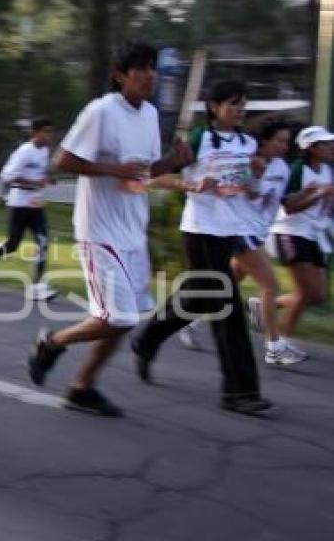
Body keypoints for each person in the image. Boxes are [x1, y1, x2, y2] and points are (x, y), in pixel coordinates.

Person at [28, 41, 192, 416]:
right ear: (121, 75)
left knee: (122, 321)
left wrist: (173, 163)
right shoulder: (101, 110)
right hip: (99, 231)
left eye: (153, 67)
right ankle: (52, 341)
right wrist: (112, 169)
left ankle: (81, 386)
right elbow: (63, 160)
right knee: (117, 317)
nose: (150, 74)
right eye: (141, 68)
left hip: (133, 230)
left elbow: (143, 175)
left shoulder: (149, 114)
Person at [132, 79, 274, 415]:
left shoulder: (247, 143)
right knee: (228, 307)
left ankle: (146, 339)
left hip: (230, 232)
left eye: (243, 104)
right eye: (233, 104)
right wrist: (191, 183)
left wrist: (255, 175)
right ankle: (239, 392)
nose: (240, 110)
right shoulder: (200, 139)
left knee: (198, 298)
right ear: (214, 107)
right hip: (200, 231)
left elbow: (249, 191)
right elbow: (158, 177)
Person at [177, 119, 302, 365]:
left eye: (287, 142)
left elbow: (283, 202)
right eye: (279, 141)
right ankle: (274, 346)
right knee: (270, 285)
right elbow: (238, 191)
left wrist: (309, 195)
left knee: (224, 285)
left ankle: (192, 322)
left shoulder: (283, 168)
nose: (284, 147)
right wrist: (253, 175)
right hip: (239, 230)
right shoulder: (244, 160)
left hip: (258, 232)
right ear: (264, 140)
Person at [0, 117, 58, 301]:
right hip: (19, 203)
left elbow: (39, 174)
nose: (49, 136)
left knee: (43, 241)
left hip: (35, 204)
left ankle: (36, 285)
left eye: (50, 132)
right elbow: (7, 176)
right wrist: (33, 182)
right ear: (34, 132)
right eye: (45, 131)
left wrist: (48, 179)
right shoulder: (25, 151)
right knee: (12, 244)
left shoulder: (44, 151)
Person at [269, 125, 334, 357]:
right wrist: (317, 194)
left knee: (317, 296)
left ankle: (268, 304)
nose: (331, 147)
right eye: (326, 144)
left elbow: (326, 206)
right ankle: (280, 342)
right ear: (312, 148)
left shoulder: (326, 170)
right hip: (290, 233)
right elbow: (289, 207)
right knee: (305, 292)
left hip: (312, 235)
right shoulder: (298, 170)